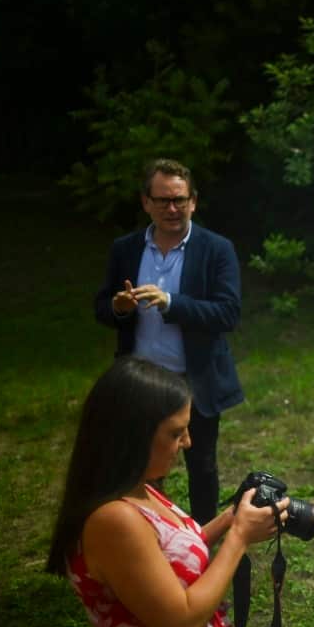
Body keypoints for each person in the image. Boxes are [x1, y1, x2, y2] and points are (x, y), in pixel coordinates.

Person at [45, 356, 288, 627]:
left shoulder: (140, 491)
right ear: (132, 436)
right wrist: (238, 539)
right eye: (176, 432)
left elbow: (168, 558)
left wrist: (229, 520)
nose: (188, 442)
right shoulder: (114, 520)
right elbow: (181, 620)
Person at [95, 158, 243, 523]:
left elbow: (228, 313)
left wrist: (173, 304)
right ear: (146, 202)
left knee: (202, 468)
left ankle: (203, 545)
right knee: (143, 471)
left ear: (193, 201)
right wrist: (119, 308)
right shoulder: (125, 249)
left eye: (179, 199)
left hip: (194, 381)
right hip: (142, 382)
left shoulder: (216, 249)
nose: (172, 209)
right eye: (162, 200)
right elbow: (101, 307)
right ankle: (150, 542)